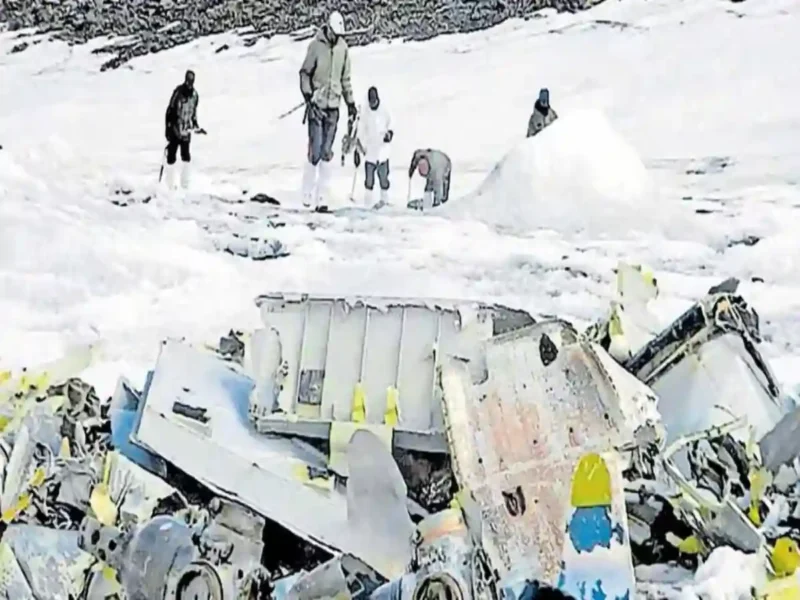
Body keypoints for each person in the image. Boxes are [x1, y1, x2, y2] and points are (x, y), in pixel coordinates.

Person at [299, 10, 357, 212]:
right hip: (317, 106)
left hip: (334, 107)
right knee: (315, 151)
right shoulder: (316, 47)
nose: (336, 37)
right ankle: (306, 191)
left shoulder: (343, 49)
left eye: (339, 34)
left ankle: (322, 198)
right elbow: (305, 73)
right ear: (328, 29)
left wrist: (350, 103)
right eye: (334, 33)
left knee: (326, 152)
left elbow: (345, 79)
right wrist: (308, 95)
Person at [354, 86, 393, 208]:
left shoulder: (384, 110)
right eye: (371, 102)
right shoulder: (365, 112)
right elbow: (361, 131)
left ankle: (384, 200)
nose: (373, 104)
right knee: (369, 180)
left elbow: (391, 123)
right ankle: (368, 203)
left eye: (374, 101)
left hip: (382, 150)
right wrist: (360, 147)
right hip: (370, 151)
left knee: (384, 178)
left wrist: (389, 134)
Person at [164, 69, 203, 189]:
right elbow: (170, 110)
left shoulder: (195, 95)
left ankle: (185, 185)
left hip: (186, 130)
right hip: (175, 129)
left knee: (186, 156)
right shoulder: (178, 92)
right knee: (171, 156)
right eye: (188, 80)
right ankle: (170, 185)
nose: (189, 83)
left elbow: (194, 112)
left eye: (191, 81)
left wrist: (195, 125)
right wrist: (168, 128)